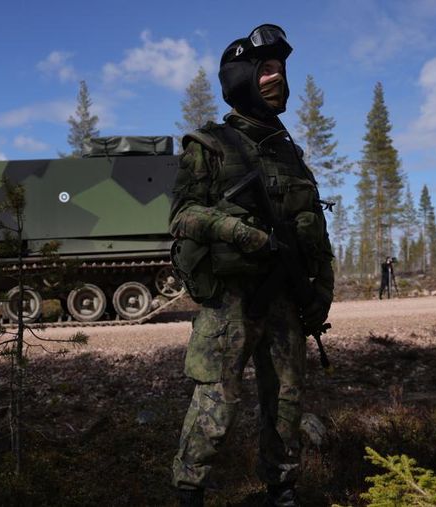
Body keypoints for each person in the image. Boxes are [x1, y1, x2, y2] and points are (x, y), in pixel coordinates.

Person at [168, 24, 335, 507]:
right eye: (265, 69)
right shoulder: (209, 145)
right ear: (241, 76)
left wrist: (321, 291)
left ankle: (282, 489)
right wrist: (241, 232)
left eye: (281, 68)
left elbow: (316, 235)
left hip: (286, 300)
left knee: (285, 403)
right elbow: (182, 216)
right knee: (215, 405)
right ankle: (189, 493)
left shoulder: (292, 156)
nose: (277, 77)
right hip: (230, 304)